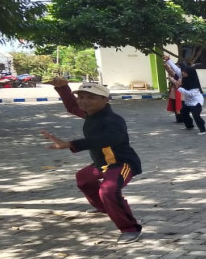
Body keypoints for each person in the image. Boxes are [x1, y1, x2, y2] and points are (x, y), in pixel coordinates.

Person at [42, 79, 143, 243]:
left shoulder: (113, 120)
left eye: (91, 97)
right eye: (81, 97)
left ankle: (130, 229)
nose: (84, 101)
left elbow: (109, 139)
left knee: (108, 191)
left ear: (105, 100)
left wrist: (71, 144)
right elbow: (72, 107)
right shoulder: (90, 114)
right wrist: (62, 87)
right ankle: (105, 207)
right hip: (101, 164)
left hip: (121, 163)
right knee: (83, 178)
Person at [176, 66, 206, 134]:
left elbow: (191, 94)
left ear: (189, 73)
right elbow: (176, 69)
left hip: (196, 102)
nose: (182, 73)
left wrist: (180, 89)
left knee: (196, 115)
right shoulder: (185, 78)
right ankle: (189, 126)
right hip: (188, 101)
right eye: (182, 71)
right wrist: (168, 61)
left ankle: (203, 130)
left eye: (184, 72)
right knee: (183, 112)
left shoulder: (194, 82)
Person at [163, 55, 184, 123]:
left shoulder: (182, 75)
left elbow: (178, 84)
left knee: (180, 106)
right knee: (175, 106)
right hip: (175, 93)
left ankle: (181, 119)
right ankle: (178, 119)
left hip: (181, 93)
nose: (175, 69)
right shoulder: (177, 74)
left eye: (177, 67)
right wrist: (166, 65)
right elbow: (170, 71)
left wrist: (171, 79)